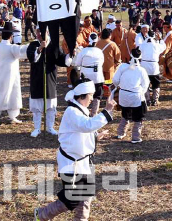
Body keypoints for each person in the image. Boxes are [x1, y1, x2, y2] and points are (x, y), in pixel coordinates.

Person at [33, 80, 115, 221]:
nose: (92, 99)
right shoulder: (72, 111)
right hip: (72, 164)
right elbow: (86, 126)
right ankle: (41, 215)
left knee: (86, 197)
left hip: (82, 162)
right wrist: (106, 111)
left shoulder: (80, 110)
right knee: (72, 199)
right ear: (82, 96)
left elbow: (81, 131)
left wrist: (95, 136)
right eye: (90, 96)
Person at [0, 23, 29, 124]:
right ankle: (12, 116)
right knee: (13, 93)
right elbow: (24, 50)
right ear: (11, 36)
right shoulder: (12, 48)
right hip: (11, 75)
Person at [28, 30, 69, 137]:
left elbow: (61, 60)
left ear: (47, 32)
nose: (38, 35)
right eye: (37, 33)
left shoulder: (54, 45)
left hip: (50, 79)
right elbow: (32, 58)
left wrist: (70, 55)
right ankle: (37, 128)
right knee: (37, 107)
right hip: (37, 79)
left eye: (40, 33)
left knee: (50, 106)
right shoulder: (33, 44)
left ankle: (50, 127)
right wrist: (40, 48)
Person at [113, 48, 150, 143]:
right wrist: (140, 91)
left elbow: (115, 80)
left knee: (125, 114)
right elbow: (145, 85)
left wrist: (121, 86)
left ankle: (120, 133)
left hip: (123, 95)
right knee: (138, 117)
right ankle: (135, 137)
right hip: (136, 96)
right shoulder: (141, 70)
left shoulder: (122, 67)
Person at [73, 32, 105, 115]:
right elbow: (102, 62)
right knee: (97, 95)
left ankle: (84, 111)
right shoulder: (99, 51)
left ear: (88, 39)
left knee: (85, 93)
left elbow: (77, 63)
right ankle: (94, 113)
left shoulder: (83, 51)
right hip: (97, 75)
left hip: (86, 75)